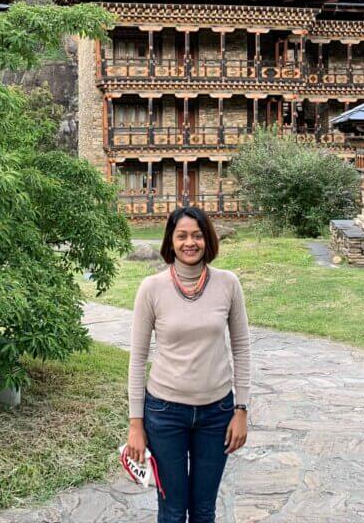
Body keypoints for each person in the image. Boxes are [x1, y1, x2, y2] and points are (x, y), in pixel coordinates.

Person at [125, 206, 252, 523]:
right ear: (171, 241)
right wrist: (135, 424)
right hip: (165, 414)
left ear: (208, 239)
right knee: (171, 510)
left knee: (203, 511)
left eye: (197, 235)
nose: (190, 243)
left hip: (217, 413)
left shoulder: (228, 284)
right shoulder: (151, 288)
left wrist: (241, 409)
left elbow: (241, 348)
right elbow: (138, 358)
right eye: (181, 236)